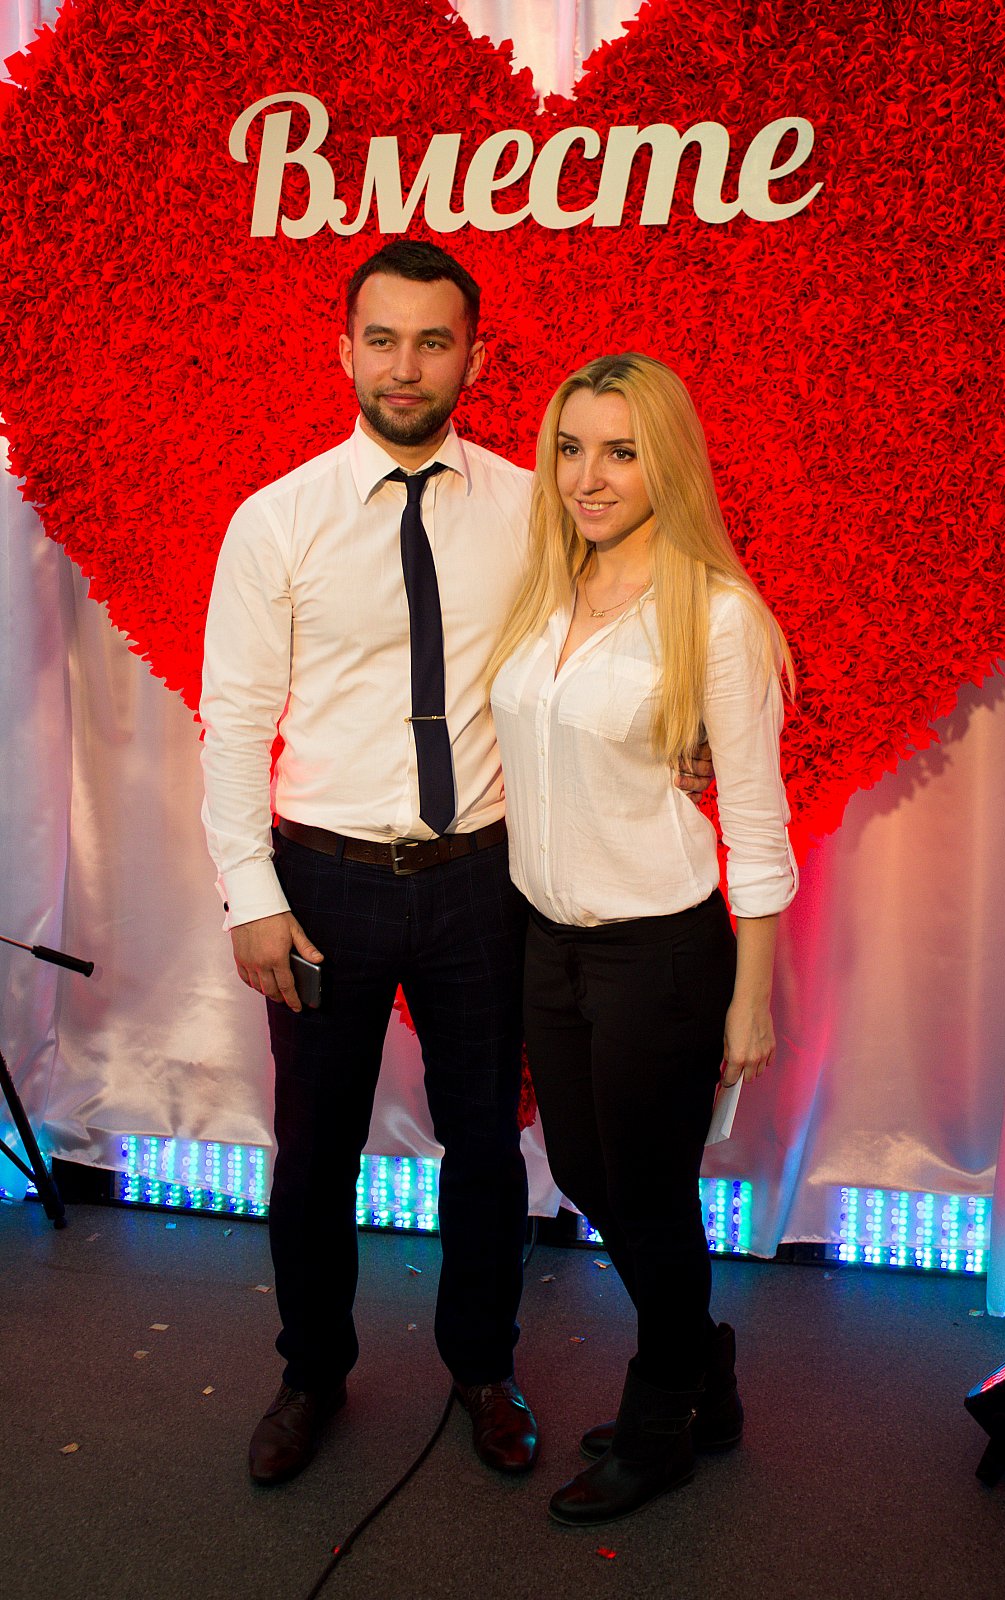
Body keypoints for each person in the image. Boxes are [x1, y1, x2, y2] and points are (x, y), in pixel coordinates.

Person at [199, 241, 540, 1485]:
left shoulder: (529, 508)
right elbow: (234, 722)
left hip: (479, 878)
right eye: (382, 339)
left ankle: (483, 1366)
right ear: (343, 350)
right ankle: (310, 1372)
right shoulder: (275, 520)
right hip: (321, 884)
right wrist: (252, 896)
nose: (406, 366)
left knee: (485, 1145)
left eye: (432, 341)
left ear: (473, 359)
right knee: (314, 1151)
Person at [487, 352, 798, 1525]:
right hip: (545, 941)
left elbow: (754, 827)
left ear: (666, 462)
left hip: (657, 954)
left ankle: (664, 1411)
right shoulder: (542, 591)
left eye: (619, 451)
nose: (589, 476)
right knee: (581, 1172)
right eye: (570, 449)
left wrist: (748, 998)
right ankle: (702, 1362)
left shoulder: (715, 618)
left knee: (651, 1194)